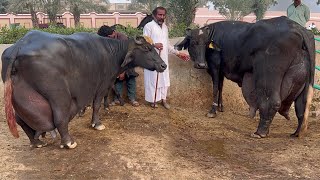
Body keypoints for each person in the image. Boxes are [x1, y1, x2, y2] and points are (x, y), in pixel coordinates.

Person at [143, 7, 190, 109]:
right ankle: (153, 100)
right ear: (154, 15)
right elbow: (144, 43)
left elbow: (167, 44)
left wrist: (178, 53)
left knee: (164, 79)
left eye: (164, 15)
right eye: (160, 15)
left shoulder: (165, 27)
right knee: (153, 79)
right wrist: (154, 45)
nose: (162, 17)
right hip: (152, 59)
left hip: (164, 58)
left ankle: (163, 99)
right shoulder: (148, 26)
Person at [97, 25, 140, 107]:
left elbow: (125, 56)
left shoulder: (122, 39)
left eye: (109, 37)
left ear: (113, 33)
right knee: (117, 80)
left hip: (128, 61)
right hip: (117, 63)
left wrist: (122, 71)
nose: (108, 40)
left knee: (130, 78)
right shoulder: (107, 40)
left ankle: (132, 99)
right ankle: (117, 99)